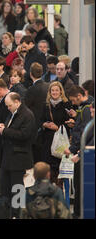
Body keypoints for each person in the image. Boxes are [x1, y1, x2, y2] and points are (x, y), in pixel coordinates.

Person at [0, 92, 36, 218]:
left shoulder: (27, 115)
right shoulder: (13, 113)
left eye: (9, 105)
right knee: (6, 188)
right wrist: (4, 127)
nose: (8, 108)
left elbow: (24, 135)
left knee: (17, 189)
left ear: (17, 102)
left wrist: (5, 131)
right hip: (9, 158)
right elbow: (13, 129)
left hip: (19, 159)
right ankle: (9, 213)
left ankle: (18, 215)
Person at [64, 85, 94, 218]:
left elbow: (86, 134)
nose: (72, 103)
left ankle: (78, 213)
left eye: (73, 100)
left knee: (80, 185)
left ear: (79, 96)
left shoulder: (87, 110)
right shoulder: (84, 109)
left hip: (84, 154)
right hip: (81, 151)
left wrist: (77, 152)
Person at [39, 81, 71, 186]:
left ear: (61, 91)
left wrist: (57, 127)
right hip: (47, 141)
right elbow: (39, 120)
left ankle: (59, 191)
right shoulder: (46, 105)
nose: (54, 92)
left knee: (58, 167)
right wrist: (44, 124)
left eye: (57, 90)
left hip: (60, 141)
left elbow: (70, 123)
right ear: (49, 92)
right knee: (47, 167)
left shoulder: (66, 104)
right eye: (52, 90)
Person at [24, 62, 50, 164]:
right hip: (47, 126)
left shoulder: (31, 89)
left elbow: (25, 108)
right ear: (42, 72)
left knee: (36, 158)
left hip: (35, 128)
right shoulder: (48, 86)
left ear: (30, 74)